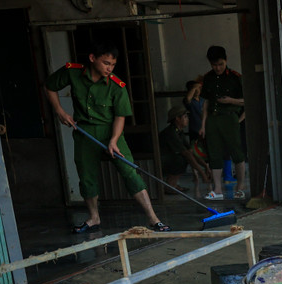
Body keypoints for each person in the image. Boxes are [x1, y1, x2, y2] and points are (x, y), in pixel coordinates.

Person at [45, 42, 170, 233]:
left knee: (129, 171)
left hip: (111, 132)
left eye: (112, 64)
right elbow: (49, 86)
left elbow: (120, 117)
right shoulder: (73, 72)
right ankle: (94, 218)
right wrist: (60, 111)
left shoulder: (117, 86)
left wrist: (113, 140)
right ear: (92, 58)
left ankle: (154, 219)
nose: (109, 68)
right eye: (105, 63)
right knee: (87, 177)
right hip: (84, 132)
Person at [199, 45, 247, 200]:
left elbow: (246, 101)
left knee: (237, 153)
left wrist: (230, 100)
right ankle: (217, 190)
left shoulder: (235, 77)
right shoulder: (208, 78)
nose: (217, 68)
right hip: (212, 119)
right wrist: (203, 124)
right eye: (214, 65)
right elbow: (206, 102)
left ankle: (240, 187)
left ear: (226, 60)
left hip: (229, 117)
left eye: (220, 64)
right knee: (214, 154)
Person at [159, 105, 212, 197]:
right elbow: (186, 153)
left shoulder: (179, 131)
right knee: (181, 159)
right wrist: (202, 173)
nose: (187, 119)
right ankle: (170, 186)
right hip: (159, 160)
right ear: (177, 119)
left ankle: (173, 184)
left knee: (185, 157)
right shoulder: (171, 132)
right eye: (185, 117)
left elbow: (190, 151)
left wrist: (205, 167)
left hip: (167, 160)